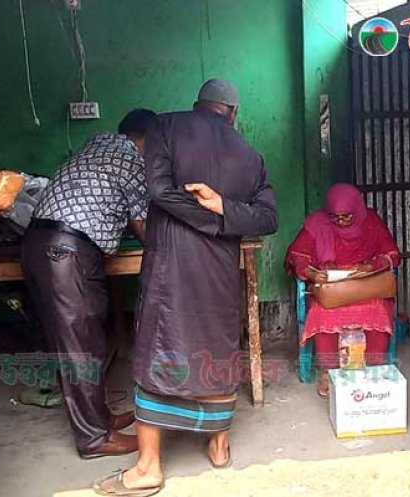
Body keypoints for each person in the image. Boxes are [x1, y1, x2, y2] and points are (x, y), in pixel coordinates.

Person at [92, 79, 277, 496]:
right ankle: (218, 446)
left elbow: (158, 190)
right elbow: (268, 218)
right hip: (220, 271)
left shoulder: (165, 125)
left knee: (159, 349)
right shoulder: (251, 155)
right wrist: (222, 212)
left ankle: (148, 466)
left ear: (198, 105)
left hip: (171, 266)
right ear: (233, 113)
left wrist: (205, 212)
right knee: (217, 347)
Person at [20, 108, 157, 459]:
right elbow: (144, 229)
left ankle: (101, 421)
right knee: (80, 347)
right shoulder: (132, 160)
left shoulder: (96, 145)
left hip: (41, 244)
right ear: (149, 138)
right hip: (66, 253)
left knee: (85, 340)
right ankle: (94, 439)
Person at [284, 183, 401, 397]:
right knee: (322, 311)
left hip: (365, 283)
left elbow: (392, 254)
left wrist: (370, 266)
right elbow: (298, 254)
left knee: (376, 309)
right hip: (331, 287)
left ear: (357, 210)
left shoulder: (371, 222)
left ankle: (375, 368)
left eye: (346, 216)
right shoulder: (318, 223)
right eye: (335, 217)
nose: (340, 221)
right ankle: (329, 372)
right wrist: (311, 273)